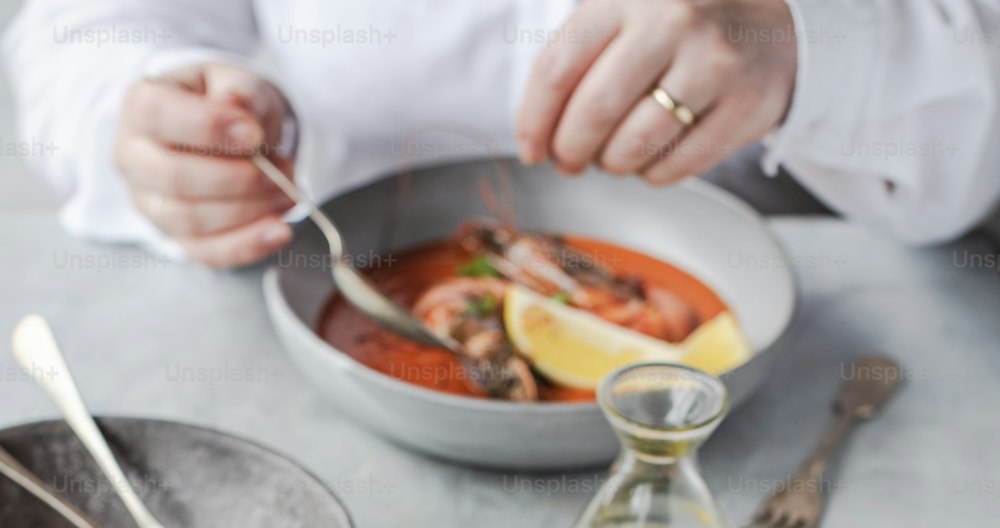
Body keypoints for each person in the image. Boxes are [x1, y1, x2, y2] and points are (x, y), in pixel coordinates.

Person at [4, 0, 1000, 265]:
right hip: (314, 296)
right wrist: (145, 120)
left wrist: (811, 39)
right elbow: (81, 32)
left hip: (799, 356)